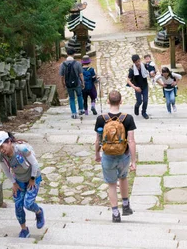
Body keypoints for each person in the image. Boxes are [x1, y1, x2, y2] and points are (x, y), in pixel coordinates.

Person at [94, 90, 137, 223]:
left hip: (107, 155)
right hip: (123, 155)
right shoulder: (127, 118)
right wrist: (134, 161)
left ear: (108, 101)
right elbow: (131, 141)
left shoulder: (101, 119)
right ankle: (125, 205)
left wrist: (96, 153)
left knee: (112, 184)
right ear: (121, 101)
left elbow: (98, 139)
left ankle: (115, 213)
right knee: (123, 178)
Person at [0, 130, 44, 238]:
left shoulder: (22, 149)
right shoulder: (0, 157)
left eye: (2, 146)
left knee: (28, 203)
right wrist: (14, 183)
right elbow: (6, 171)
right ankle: (24, 229)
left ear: (9, 142)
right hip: (19, 179)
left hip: (33, 177)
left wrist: (32, 178)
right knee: (18, 205)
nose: (1, 150)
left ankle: (39, 212)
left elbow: (35, 164)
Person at [59, 48, 85, 119]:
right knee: (79, 95)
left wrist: (63, 84)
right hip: (77, 83)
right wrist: (83, 82)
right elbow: (81, 74)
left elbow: (61, 76)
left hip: (68, 84)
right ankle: (81, 109)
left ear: (67, 54)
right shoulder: (78, 63)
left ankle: (74, 113)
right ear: (74, 54)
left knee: (72, 98)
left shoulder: (62, 64)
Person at [127, 54, 150, 119]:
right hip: (137, 87)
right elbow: (128, 80)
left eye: (138, 61)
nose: (138, 63)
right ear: (134, 62)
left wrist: (153, 72)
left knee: (145, 100)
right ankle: (136, 107)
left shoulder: (144, 66)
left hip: (145, 85)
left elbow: (152, 69)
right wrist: (135, 87)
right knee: (139, 101)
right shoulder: (132, 69)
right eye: (136, 62)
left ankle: (144, 112)